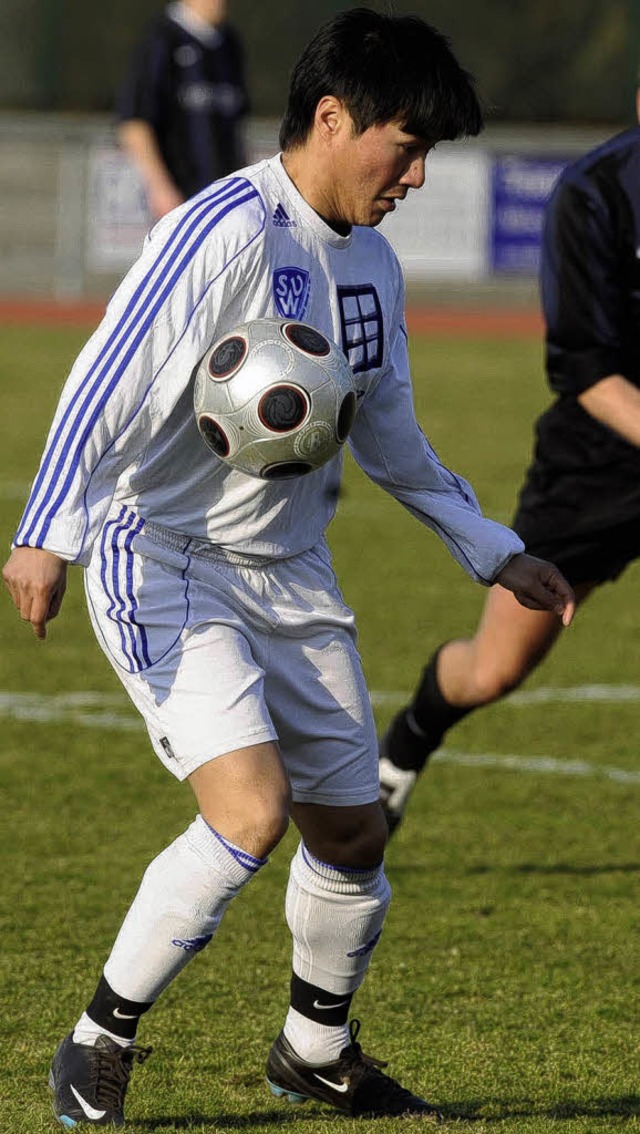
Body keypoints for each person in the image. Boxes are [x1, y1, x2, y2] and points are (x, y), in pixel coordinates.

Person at [3, 9, 574, 1126]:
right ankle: (94, 1040)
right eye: (402, 147)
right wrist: (44, 528)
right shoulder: (220, 231)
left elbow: (394, 436)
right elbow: (104, 374)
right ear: (330, 116)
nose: (412, 176)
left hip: (289, 571)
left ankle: (315, 1049)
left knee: (352, 834)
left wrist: (497, 551)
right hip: (162, 555)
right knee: (251, 812)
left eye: (425, 157)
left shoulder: (373, 267)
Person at [379, 105, 640, 835]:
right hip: (599, 465)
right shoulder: (596, 194)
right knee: (493, 670)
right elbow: (589, 376)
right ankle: (406, 745)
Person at [117, 0, 249, 220]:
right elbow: (135, 123)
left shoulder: (229, 45)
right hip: (178, 199)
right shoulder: (161, 40)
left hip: (223, 199)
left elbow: (237, 129)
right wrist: (160, 188)